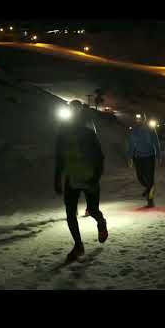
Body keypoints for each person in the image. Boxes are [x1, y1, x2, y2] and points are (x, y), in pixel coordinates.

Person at [54, 100, 108, 262]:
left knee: (92, 210)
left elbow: (99, 157)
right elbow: (60, 158)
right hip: (71, 178)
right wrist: (57, 178)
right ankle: (78, 246)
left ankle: (101, 223)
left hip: (89, 177)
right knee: (70, 214)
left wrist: (95, 177)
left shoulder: (88, 133)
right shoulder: (62, 134)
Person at [127, 115, 162, 208]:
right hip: (138, 157)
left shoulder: (151, 130)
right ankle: (149, 188)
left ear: (144, 119)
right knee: (140, 177)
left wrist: (158, 156)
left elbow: (156, 143)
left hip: (149, 157)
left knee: (150, 177)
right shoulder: (134, 131)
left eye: (140, 119)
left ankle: (150, 200)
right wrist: (130, 157)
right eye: (137, 119)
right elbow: (131, 144)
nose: (138, 120)